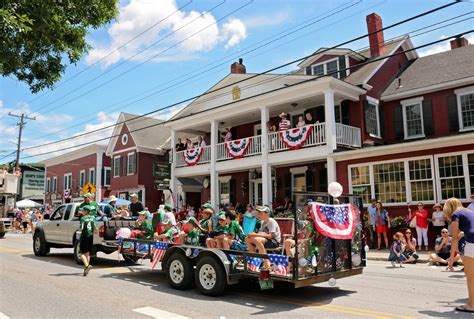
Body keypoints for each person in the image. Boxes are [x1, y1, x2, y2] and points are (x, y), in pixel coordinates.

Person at [444, 198, 474, 313]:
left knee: (470, 276)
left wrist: (451, 258)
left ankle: (472, 305)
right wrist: (464, 232)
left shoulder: (455, 214)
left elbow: (454, 238)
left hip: (472, 242)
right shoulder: (470, 211)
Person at [78, 205, 97, 276]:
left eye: (83, 210)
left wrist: (79, 230)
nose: (82, 211)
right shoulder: (93, 218)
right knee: (87, 253)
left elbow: (81, 228)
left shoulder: (83, 218)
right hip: (91, 236)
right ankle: (86, 269)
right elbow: (94, 227)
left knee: (82, 253)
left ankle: (86, 266)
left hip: (85, 236)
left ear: (86, 211)